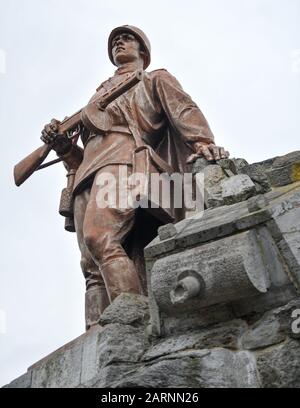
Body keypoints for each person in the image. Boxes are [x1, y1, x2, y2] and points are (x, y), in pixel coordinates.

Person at [41, 25, 229, 329]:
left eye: (126, 38)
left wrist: (202, 141)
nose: (118, 42)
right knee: (91, 265)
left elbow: (184, 110)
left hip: (122, 162)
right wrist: (64, 147)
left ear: (144, 50)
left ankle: (134, 322)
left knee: (99, 238)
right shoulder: (95, 98)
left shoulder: (154, 78)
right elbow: (85, 153)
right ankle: (99, 336)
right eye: (115, 40)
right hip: (86, 176)